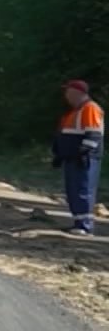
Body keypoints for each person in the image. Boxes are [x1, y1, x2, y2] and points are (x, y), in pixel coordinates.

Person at [52, 79, 103, 236]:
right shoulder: (74, 111)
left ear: (77, 92)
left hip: (84, 159)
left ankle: (85, 226)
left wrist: (83, 152)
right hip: (72, 158)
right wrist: (60, 154)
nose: (66, 95)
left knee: (83, 190)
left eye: (68, 91)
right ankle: (78, 223)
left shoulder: (90, 108)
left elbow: (94, 135)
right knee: (73, 191)